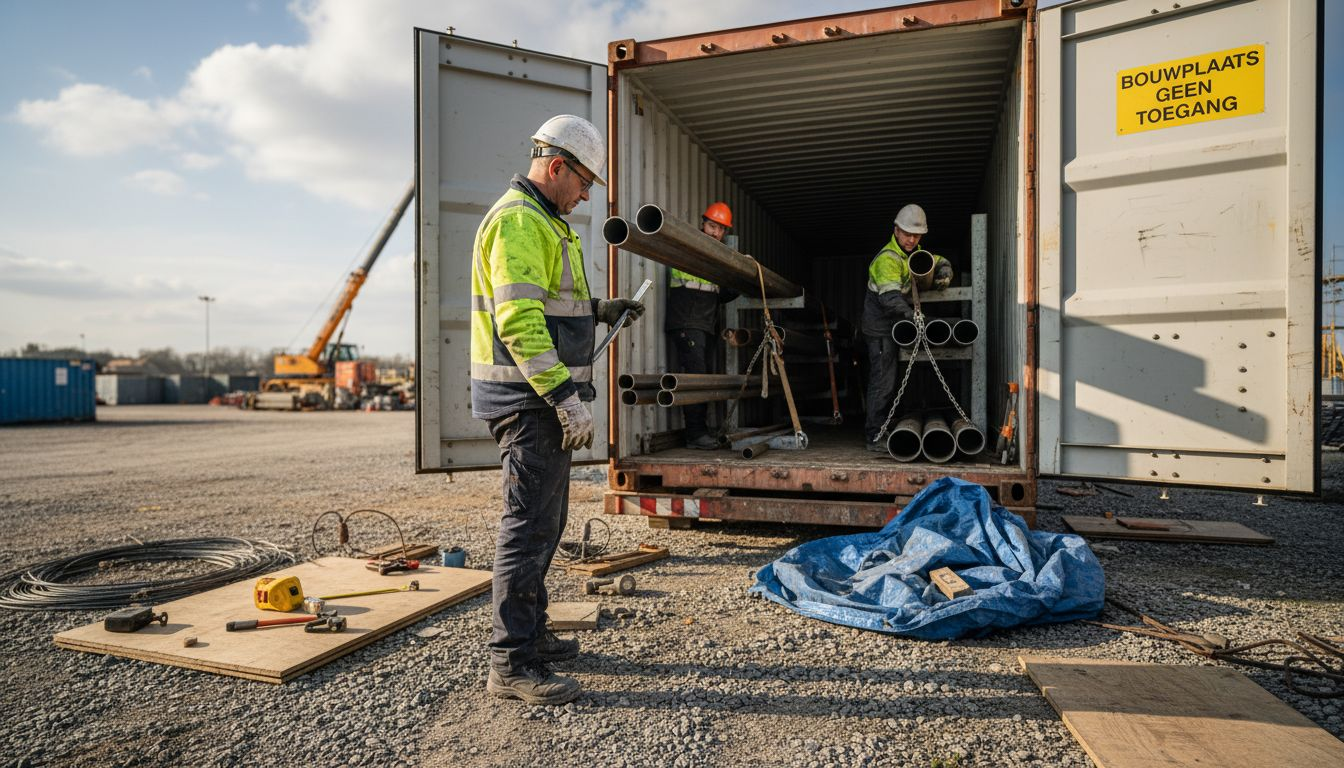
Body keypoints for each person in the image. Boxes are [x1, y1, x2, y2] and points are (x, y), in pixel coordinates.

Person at [470, 114, 645, 705]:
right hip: (530, 402)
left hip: (539, 401)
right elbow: (519, 320)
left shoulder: (545, 222)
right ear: (556, 166)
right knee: (526, 530)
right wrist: (563, 397)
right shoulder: (520, 221)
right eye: (585, 182)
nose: (587, 195)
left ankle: (533, 635)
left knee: (547, 524)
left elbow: (552, 303)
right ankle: (511, 663)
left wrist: (601, 309)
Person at [861, 203, 953, 453]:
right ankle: (874, 435)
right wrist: (915, 316)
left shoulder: (914, 256)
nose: (912, 240)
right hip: (880, 329)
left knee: (892, 380)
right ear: (896, 230)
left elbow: (939, 261)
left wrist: (945, 269)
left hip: (895, 325)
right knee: (883, 381)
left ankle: (884, 425)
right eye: (907, 234)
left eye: (917, 235)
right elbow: (890, 300)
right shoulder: (887, 259)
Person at [665, 202, 738, 449]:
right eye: (712, 226)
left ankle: (699, 431)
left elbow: (719, 294)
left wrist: (741, 277)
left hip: (703, 325)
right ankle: (695, 434)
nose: (716, 232)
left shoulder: (716, 255)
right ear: (703, 223)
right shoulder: (692, 247)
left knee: (702, 377)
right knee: (696, 378)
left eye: (721, 229)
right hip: (686, 322)